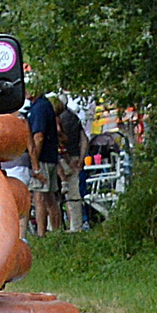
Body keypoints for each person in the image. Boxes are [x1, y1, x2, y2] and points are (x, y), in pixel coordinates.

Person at [24, 89, 60, 236]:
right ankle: (57, 231)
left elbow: (38, 136)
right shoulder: (44, 105)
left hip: (43, 158)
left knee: (39, 196)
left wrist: (35, 161)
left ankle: (41, 234)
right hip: (51, 157)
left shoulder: (39, 108)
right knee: (50, 197)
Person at [56, 96, 88, 233]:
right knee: (74, 194)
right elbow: (84, 139)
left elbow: (62, 142)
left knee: (68, 194)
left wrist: (68, 158)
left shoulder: (60, 120)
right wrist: (81, 158)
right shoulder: (74, 117)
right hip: (76, 157)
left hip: (65, 159)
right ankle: (76, 224)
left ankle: (72, 226)